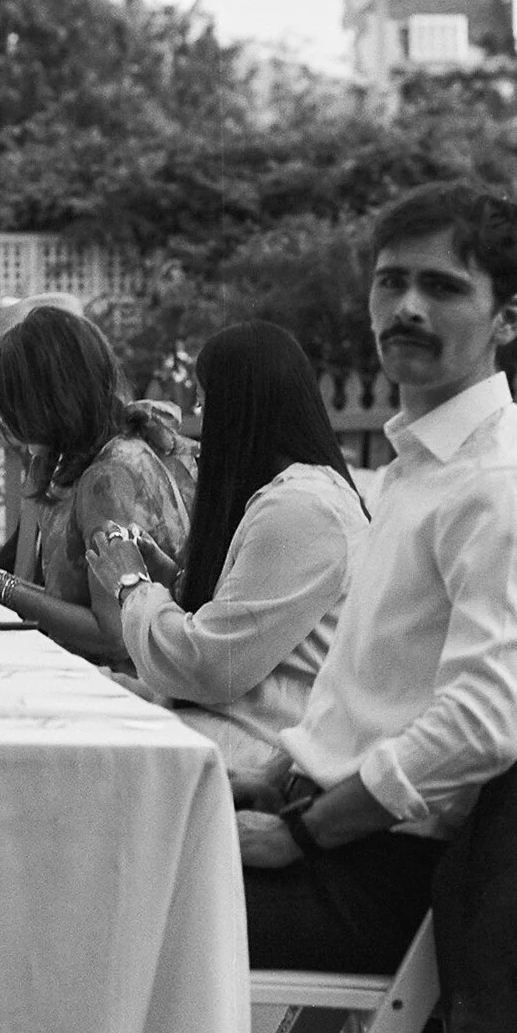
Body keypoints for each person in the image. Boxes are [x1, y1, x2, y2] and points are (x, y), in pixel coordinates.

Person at [231, 181, 517, 1006]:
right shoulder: (422, 466)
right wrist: (282, 771)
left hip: (393, 878)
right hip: (341, 834)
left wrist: (299, 833)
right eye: (390, 281)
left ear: (508, 318)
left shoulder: (500, 484)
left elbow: (480, 724)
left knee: (111, 910)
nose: (407, 306)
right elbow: (383, 679)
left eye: (443, 286)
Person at [86, 320, 371, 775]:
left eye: (204, 401)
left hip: (264, 748)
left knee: (87, 748)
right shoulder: (292, 498)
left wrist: (132, 585)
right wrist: (170, 583)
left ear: (239, 408)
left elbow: (213, 667)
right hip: (233, 726)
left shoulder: (302, 508)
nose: (200, 420)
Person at [0, 302, 195, 659]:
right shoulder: (115, 450)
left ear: (48, 400)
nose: (3, 420)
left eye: (10, 403)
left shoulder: (106, 480)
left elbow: (115, 635)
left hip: (128, 691)